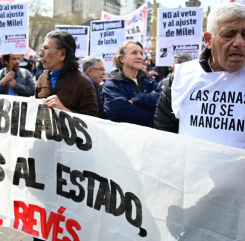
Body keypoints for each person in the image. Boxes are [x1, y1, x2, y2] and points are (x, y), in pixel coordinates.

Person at [154, 3, 245, 149]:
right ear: (208, 40)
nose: (239, 43)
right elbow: (164, 132)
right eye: (228, 35)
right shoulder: (180, 78)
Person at [35, 30, 98, 117]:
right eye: (41, 49)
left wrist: (64, 111)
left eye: (46, 49)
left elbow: (92, 123)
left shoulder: (84, 84)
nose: (40, 54)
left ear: (62, 54)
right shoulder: (42, 78)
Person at [102, 40, 162, 128]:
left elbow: (164, 103)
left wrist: (137, 100)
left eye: (141, 53)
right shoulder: (112, 84)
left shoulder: (149, 80)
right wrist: (154, 112)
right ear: (121, 59)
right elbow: (121, 113)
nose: (140, 57)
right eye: (134, 53)